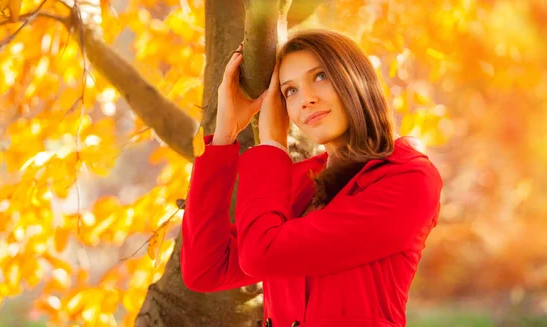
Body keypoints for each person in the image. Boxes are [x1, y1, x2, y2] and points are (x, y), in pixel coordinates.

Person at [180, 29, 443, 327]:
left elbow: (261, 255)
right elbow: (206, 269)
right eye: (290, 91)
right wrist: (225, 134)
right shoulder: (299, 180)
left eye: (320, 76)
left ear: (356, 79)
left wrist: (271, 145)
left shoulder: (409, 180)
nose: (306, 99)